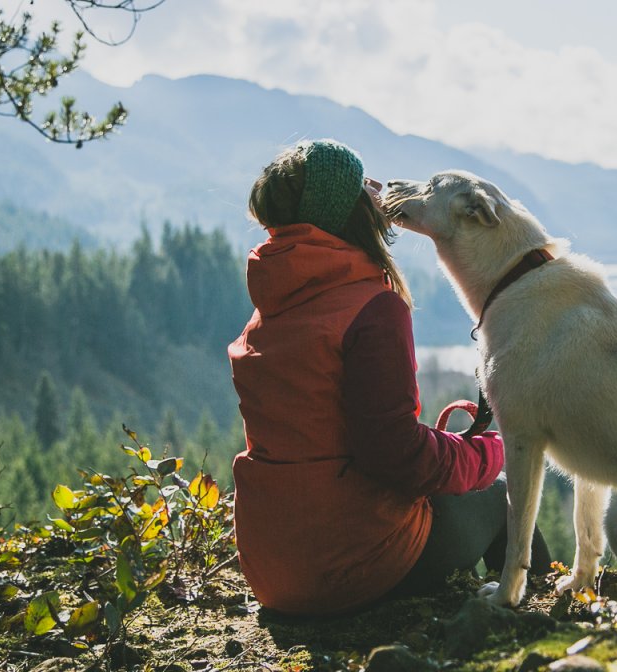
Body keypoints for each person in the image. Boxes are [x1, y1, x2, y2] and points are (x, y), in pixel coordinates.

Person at [228, 139, 551, 615]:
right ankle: (543, 619)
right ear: (345, 210)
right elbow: (394, 453)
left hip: (273, 570)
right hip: (350, 564)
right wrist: (487, 453)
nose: (377, 188)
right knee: (501, 494)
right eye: (363, 183)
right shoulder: (370, 308)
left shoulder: (272, 308)